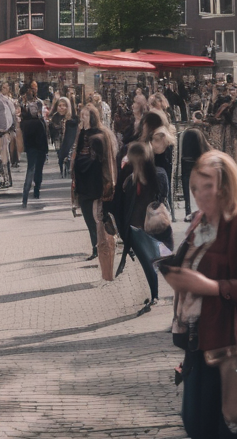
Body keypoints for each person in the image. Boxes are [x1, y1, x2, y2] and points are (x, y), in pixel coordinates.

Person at [164, 150, 237, 439]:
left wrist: (215, 287)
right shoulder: (200, 222)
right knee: (195, 423)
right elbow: (193, 266)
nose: (199, 194)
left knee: (225, 430)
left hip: (229, 344)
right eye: (194, 188)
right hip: (196, 339)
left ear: (226, 187)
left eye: (207, 186)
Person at [115, 142, 173, 310]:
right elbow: (164, 196)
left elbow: (122, 205)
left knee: (149, 264)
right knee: (159, 259)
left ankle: (155, 295)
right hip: (153, 226)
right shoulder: (158, 175)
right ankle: (159, 295)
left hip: (138, 228)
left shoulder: (130, 179)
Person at [73, 130, 115, 259]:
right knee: (94, 221)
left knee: (94, 221)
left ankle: (98, 247)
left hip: (90, 192)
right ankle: (99, 247)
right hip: (90, 192)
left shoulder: (86, 158)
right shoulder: (88, 158)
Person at [21, 102, 48, 206]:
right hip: (39, 149)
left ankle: (25, 194)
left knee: (30, 169)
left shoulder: (25, 122)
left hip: (31, 150)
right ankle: (36, 190)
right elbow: (44, 137)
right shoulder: (39, 122)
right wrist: (45, 150)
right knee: (37, 170)